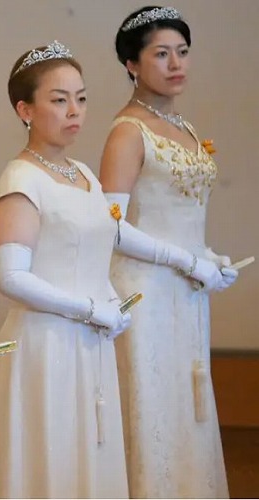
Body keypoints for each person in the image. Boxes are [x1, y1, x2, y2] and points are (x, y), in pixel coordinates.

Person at [99, 6, 237, 497]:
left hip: (187, 289)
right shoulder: (128, 131)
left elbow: (179, 215)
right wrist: (185, 259)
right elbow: (111, 226)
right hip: (147, 290)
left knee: (185, 400)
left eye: (182, 51)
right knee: (154, 402)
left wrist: (208, 256)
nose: (176, 63)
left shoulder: (185, 127)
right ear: (132, 64)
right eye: (161, 54)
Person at [0, 41, 130, 498]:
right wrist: (88, 308)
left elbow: (95, 248)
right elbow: (11, 277)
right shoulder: (21, 179)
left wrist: (111, 300)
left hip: (91, 341)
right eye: (59, 100)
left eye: (81, 98)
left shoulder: (84, 173)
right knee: (51, 462)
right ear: (25, 109)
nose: (74, 111)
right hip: (46, 345)